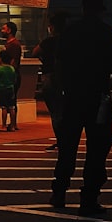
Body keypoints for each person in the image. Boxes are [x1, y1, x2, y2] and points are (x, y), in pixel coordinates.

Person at [50, 0, 112, 215]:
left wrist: (60, 93)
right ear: (101, 9)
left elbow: (59, 65)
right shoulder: (107, 34)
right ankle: (89, 197)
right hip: (99, 100)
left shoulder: (70, 33)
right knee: (97, 148)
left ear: (83, 7)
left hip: (73, 97)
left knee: (67, 146)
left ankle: (59, 192)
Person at [33, 10, 68, 151]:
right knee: (66, 111)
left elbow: (35, 52)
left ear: (52, 27)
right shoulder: (69, 41)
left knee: (55, 113)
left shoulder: (49, 42)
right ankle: (67, 140)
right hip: (67, 79)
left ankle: (61, 140)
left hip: (51, 78)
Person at [0, 50, 18, 131]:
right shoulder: (12, 69)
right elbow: (14, 80)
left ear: (1, 59)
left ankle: (4, 125)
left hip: (2, 89)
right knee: (12, 107)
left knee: (4, 107)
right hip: (11, 89)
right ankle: (13, 126)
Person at [0, 21, 23, 93]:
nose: (1, 31)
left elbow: (13, 62)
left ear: (9, 30)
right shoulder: (9, 44)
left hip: (10, 77)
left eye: (4, 29)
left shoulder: (14, 44)